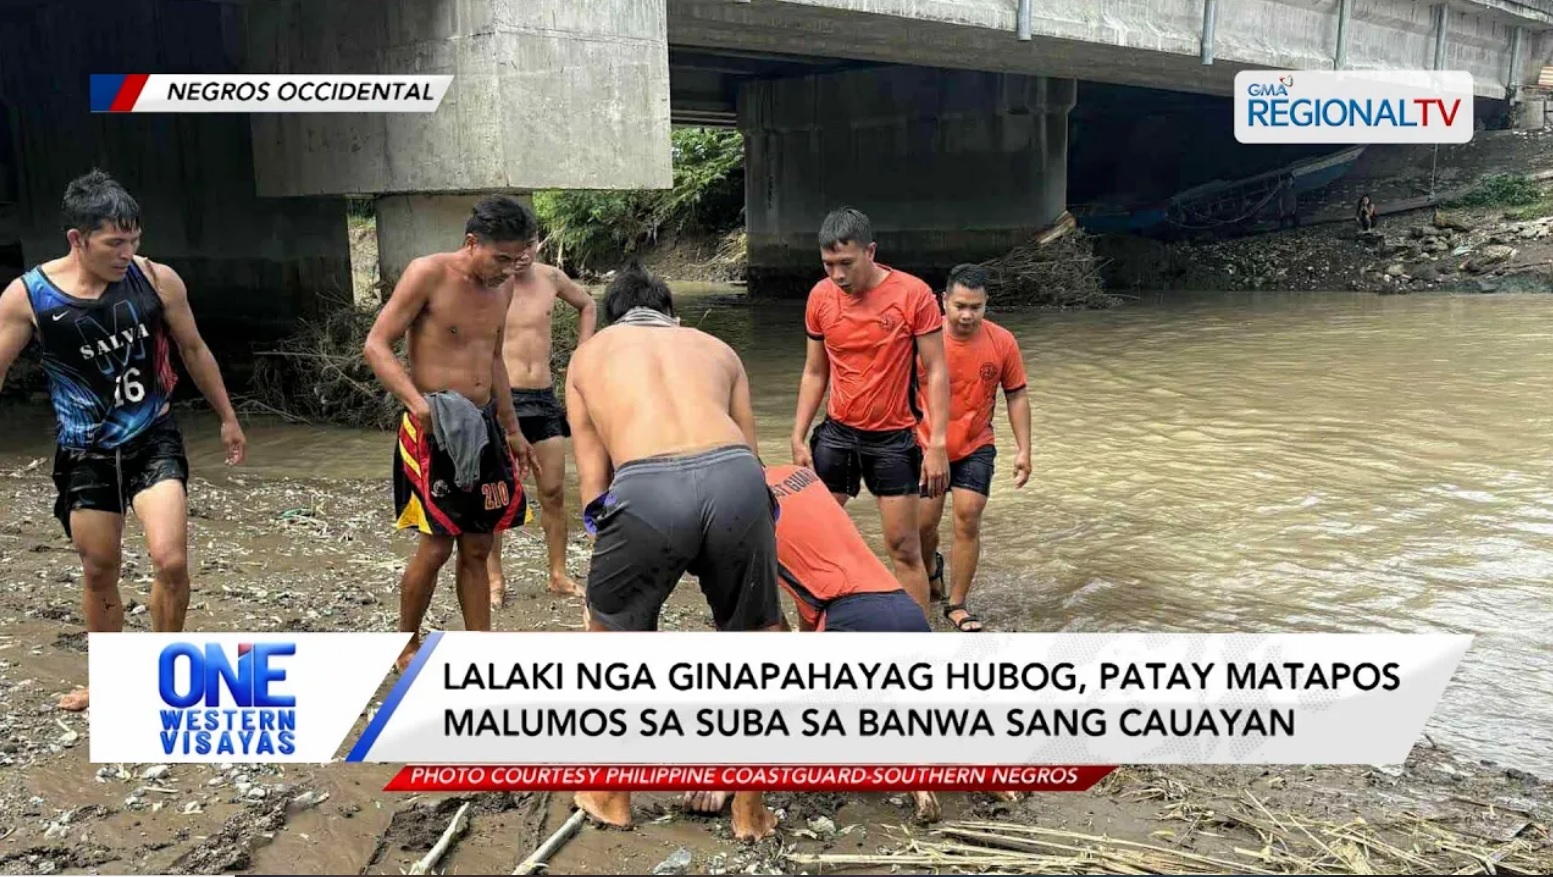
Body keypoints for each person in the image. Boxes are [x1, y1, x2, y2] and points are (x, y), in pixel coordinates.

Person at [0, 169, 247, 712]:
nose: (127, 253)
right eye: (114, 243)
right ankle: (108, 680)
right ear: (77, 239)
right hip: (84, 452)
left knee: (171, 560)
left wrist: (227, 416)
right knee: (99, 569)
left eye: (133, 240)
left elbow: (194, 349)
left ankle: (163, 674)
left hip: (153, 438)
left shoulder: (157, 280)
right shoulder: (29, 296)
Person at [566, 262, 781, 842]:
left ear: (611, 320)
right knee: (756, 643)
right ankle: (750, 811)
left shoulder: (588, 357)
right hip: (736, 478)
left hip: (646, 484)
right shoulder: (718, 349)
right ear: (672, 317)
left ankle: (611, 796)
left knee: (614, 645)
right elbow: (754, 459)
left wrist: (608, 601)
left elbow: (594, 488)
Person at [363, 194, 540, 673]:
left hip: (482, 426)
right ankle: (406, 643)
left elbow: (494, 359)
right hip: (433, 425)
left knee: (479, 545)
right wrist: (416, 403)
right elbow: (376, 344)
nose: (508, 269)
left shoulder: (503, 287)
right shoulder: (428, 273)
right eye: (500, 258)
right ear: (472, 242)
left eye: (517, 259)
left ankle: (479, 647)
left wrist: (512, 428)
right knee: (437, 544)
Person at [791, 207, 950, 614]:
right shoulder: (820, 297)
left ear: (871, 251)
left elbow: (936, 370)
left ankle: (917, 637)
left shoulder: (913, 294)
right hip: (837, 434)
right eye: (828, 264)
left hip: (893, 439)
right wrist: (798, 434)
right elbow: (815, 371)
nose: (837, 275)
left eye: (846, 263)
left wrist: (937, 444)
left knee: (903, 547)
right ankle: (821, 629)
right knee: (817, 538)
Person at [487, 204, 596, 607]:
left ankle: (558, 574)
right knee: (496, 495)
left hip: (544, 398)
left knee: (552, 491)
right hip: (503, 399)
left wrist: (582, 355)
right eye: (516, 248)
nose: (523, 255)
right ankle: (494, 579)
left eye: (529, 245)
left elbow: (587, 304)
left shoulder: (551, 278)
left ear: (537, 244)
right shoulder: (491, 283)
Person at [915, 265, 1031, 633]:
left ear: (986, 304)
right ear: (943, 301)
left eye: (976, 307)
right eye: (960, 306)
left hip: (976, 444)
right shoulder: (922, 339)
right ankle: (930, 569)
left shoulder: (1002, 341)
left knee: (968, 517)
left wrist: (1024, 450)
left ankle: (957, 603)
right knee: (923, 524)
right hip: (925, 445)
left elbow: (1016, 395)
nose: (967, 315)